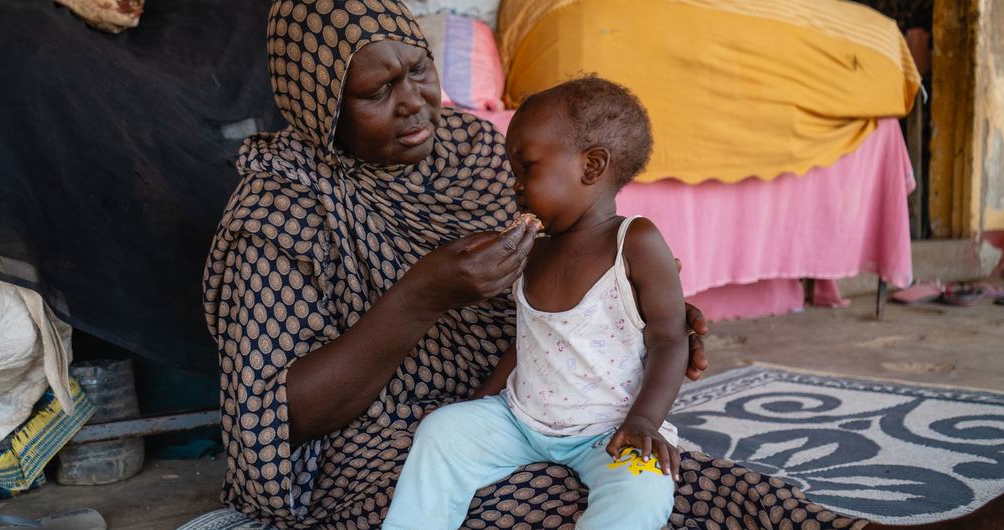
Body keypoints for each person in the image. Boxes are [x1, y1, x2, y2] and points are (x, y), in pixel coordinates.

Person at [203, 0, 1004, 528]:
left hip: (534, 398)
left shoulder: (472, 152)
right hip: (374, 442)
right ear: (319, 103)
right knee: (528, 504)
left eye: (420, 72)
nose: (416, 103)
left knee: (668, 475)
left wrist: (641, 308)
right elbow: (281, 420)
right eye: (378, 92)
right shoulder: (281, 210)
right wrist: (419, 298)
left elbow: (570, 275)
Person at [385, 77, 687, 530]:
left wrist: (644, 421)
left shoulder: (635, 242)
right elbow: (532, 343)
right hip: (522, 420)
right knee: (442, 431)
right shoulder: (536, 248)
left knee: (643, 488)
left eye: (526, 168)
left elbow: (669, 337)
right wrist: (480, 406)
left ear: (591, 167)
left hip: (611, 428)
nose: (515, 186)